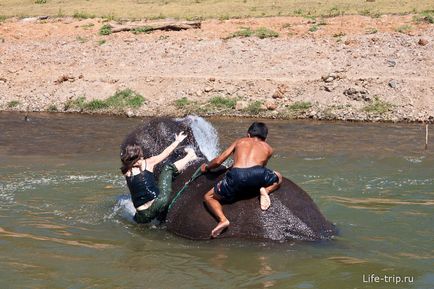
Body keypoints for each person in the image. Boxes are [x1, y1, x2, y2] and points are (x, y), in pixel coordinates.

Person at [201, 122, 282, 238]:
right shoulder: (269, 148)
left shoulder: (240, 141)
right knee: (278, 177)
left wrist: (207, 167)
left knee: (208, 197)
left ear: (248, 135)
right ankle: (266, 190)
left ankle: (223, 220)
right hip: (258, 174)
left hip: (237, 174)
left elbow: (219, 161)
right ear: (265, 138)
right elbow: (261, 166)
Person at [121, 132, 198, 223]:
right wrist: (177, 141)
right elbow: (165, 153)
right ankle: (191, 156)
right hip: (159, 203)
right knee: (168, 168)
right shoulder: (148, 162)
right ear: (139, 155)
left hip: (142, 215)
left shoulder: (125, 170)